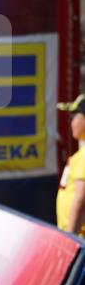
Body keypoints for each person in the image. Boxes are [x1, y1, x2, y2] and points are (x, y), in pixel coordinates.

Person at [56, 94, 85, 237]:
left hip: (79, 243)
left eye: (74, 116)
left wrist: (70, 239)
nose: (71, 122)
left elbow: (81, 200)